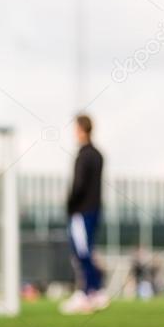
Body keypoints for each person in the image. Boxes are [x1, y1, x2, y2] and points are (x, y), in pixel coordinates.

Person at [61, 114, 108, 315]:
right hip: (95, 209)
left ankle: (86, 292)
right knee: (87, 250)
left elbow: (78, 185)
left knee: (81, 252)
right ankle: (96, 291)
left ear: (81, 129)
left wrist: (69, 205)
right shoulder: (98, 155)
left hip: (81, 211)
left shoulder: (83, 155)